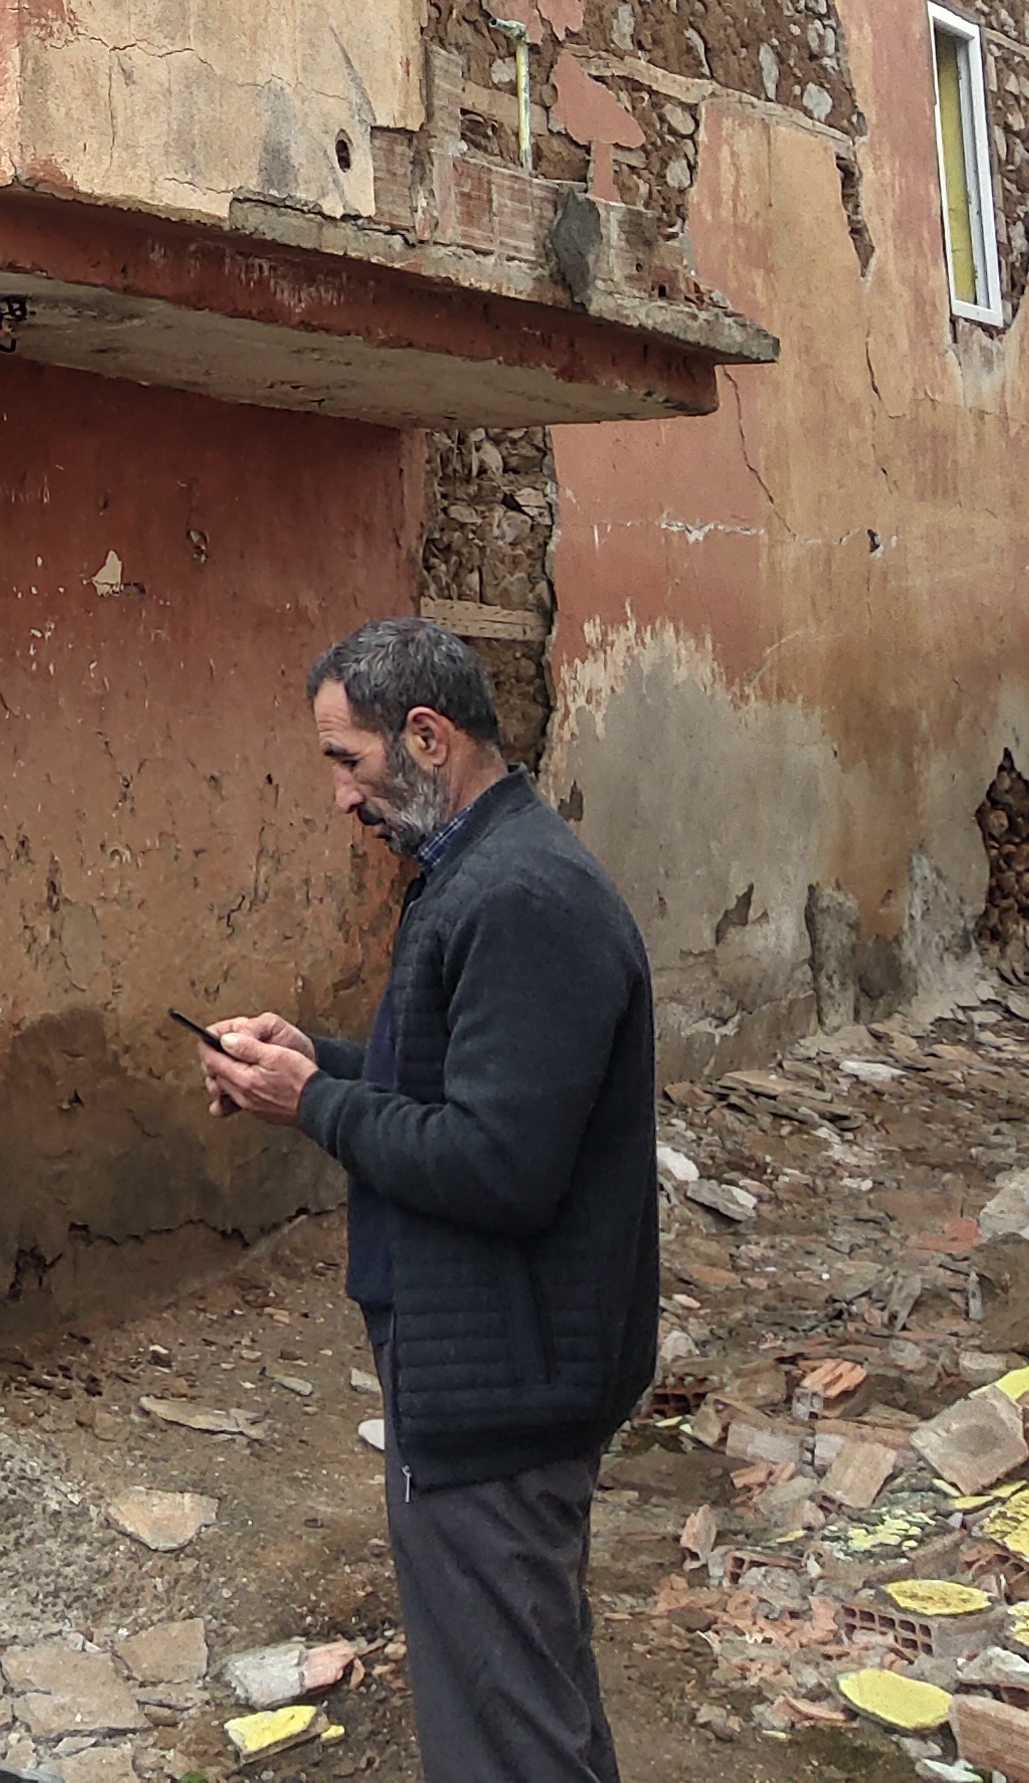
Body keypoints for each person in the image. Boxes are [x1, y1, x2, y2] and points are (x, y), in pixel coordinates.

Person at [195, 617, 657, 1783]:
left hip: (506, 1379)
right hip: (487, 1362)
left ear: (427, 737)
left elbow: (498, 1162)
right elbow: (461, 1087)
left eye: (347, 764)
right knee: (520, 1698)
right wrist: (321, 1062)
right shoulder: (480, 875)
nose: (340, 801)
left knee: (507, 1728)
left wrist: (312, 1104)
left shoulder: (520, 898)